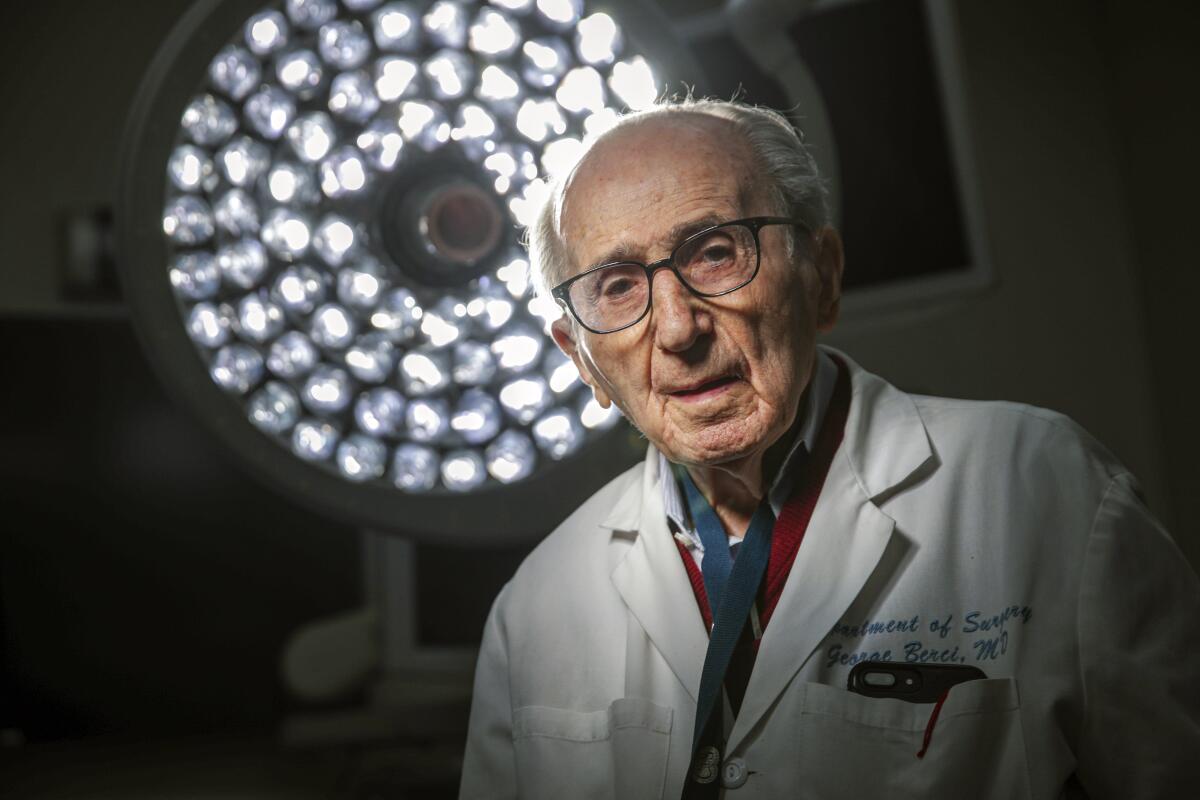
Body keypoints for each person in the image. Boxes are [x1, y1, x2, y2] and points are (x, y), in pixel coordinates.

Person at [458, 98, 1200, 799]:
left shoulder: (1044, 485)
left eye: (715, 253)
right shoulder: (535, 607)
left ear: (822, 277)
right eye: (618, 286)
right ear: (581, 358)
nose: (679, 329)